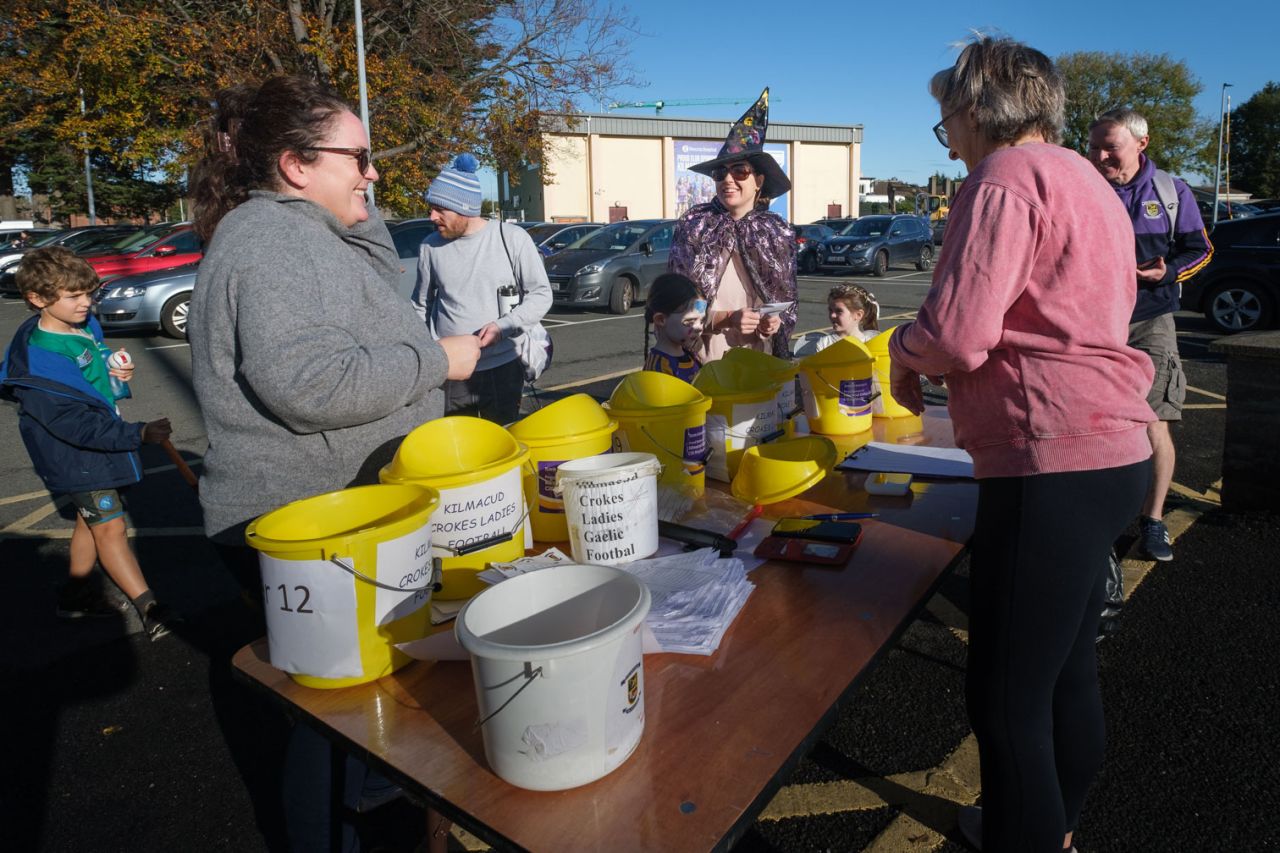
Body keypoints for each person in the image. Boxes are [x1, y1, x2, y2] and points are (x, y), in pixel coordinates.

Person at [188, 74, 480, 852]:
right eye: (358, 156)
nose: (374, 173)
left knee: (353, 709)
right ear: (294, 165)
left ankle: (370, 794)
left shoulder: (302, 231)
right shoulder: (274, 240)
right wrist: (437, 362)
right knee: (329, 721)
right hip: (305, 524)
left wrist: (354, 203)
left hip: (338, 520)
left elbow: (374, 272)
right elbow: (311, 383)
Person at [888, 36, 1156, 852]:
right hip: (1115, 449)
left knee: (1005, 702)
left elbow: (961, 336)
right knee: (1064, 672)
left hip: (1049, 457)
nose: (950, 139)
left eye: (946, 122)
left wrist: (903, 348)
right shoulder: (1083, 176)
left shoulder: (1001, 178)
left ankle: (1026, 836)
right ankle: (1050, 827)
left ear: (977, 108)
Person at [0, 246, 177, 639]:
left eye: (89, 293)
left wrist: (117, 373)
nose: (87, 303)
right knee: (110, 529)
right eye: (74, 296)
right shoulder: (41, 363)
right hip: (76, 454)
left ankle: (76, 594)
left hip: (94, 441)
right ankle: (151, 607)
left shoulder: (83, 325)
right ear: (36, 299)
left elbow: (95, 370)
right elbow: (76, 426)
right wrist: (139, 433)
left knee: (89, 520)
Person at [1087, 108, 1213, 562]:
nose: (1099, 156)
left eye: (1110, 147)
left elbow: (1201, 249)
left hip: (1150, 320)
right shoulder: (1082, 188)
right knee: (1087, 424)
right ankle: (1094, 520)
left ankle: (1154, 520)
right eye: (1094, 146)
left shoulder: (1171, 192)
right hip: (1091, 322)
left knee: (1155, 420)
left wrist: (1168, 272)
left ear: (1141, 144)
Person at [411, 153, 552, 424]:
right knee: (459, 450)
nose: (432, 216)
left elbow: (541, 293)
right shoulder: (430, 246)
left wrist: (504, 325)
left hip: (502, 366)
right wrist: (429, 352)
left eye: (440, 209)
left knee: (502, 444)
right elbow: (420, 305)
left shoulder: (512, 239)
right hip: (451, 370)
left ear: (464, 207)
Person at [669, 88, 797, 362]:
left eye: (740, 171)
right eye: (720, 173)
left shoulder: (777, 231)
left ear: (759, 181)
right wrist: (726, 318)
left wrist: (773, 323)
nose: (728, 180)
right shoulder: (695, 225)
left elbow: (784, 302)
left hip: (759, 362)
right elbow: (675, 306)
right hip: (704, 359)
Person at [642, 272, 705, 382]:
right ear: (661, 319)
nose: (699, 328)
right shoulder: (657, 368)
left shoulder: (689, 356)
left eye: (702, 321)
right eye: (690, 321)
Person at [794, 283, 881, 356]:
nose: (832, 315)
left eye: (839, 311)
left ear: (858, 315)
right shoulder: (825, 344)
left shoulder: (871, 342)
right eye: (830, 310)